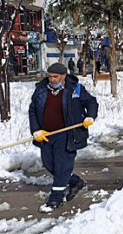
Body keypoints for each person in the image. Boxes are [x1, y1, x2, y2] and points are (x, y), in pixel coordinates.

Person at [29, 63, 98, 212]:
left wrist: (90, 116)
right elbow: (33, 110)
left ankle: (56, 199)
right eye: (50, 76)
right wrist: (35, 130)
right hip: (46, 134)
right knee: (49, 165)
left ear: (64, 76)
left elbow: (91, 102)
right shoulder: (40, 90)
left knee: (61, 165)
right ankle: (76, 181)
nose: (52, 79)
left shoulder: (75, 89)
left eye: (55, 76)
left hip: (67, 134)